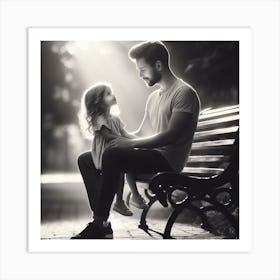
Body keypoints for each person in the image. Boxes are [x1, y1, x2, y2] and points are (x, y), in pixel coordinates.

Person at [71, 41, 201, 239]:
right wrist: (119, 138)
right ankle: (102, 220)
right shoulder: (154, 98)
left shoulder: (184, 93)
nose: (140, 74)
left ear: (158, 65)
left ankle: (99, 223)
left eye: (142, 69)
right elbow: (141, 134)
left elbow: (171, 136)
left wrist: (127, 145)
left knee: (113, 155)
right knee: (85, 160)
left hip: (167, 161)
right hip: (151, 155)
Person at [76, 83, 149, 219]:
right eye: (108, 94)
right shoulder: (99, 118)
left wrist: (140, 141)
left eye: (112, 92)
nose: (113, 95)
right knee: (119, 164)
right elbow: (107, 136)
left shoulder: (115, 118)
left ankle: (128, 198)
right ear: (98, 101)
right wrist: (126, 142)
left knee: (125, 162)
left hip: (115, 149)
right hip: (104, 151)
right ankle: (121, 201)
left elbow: (126, 134)